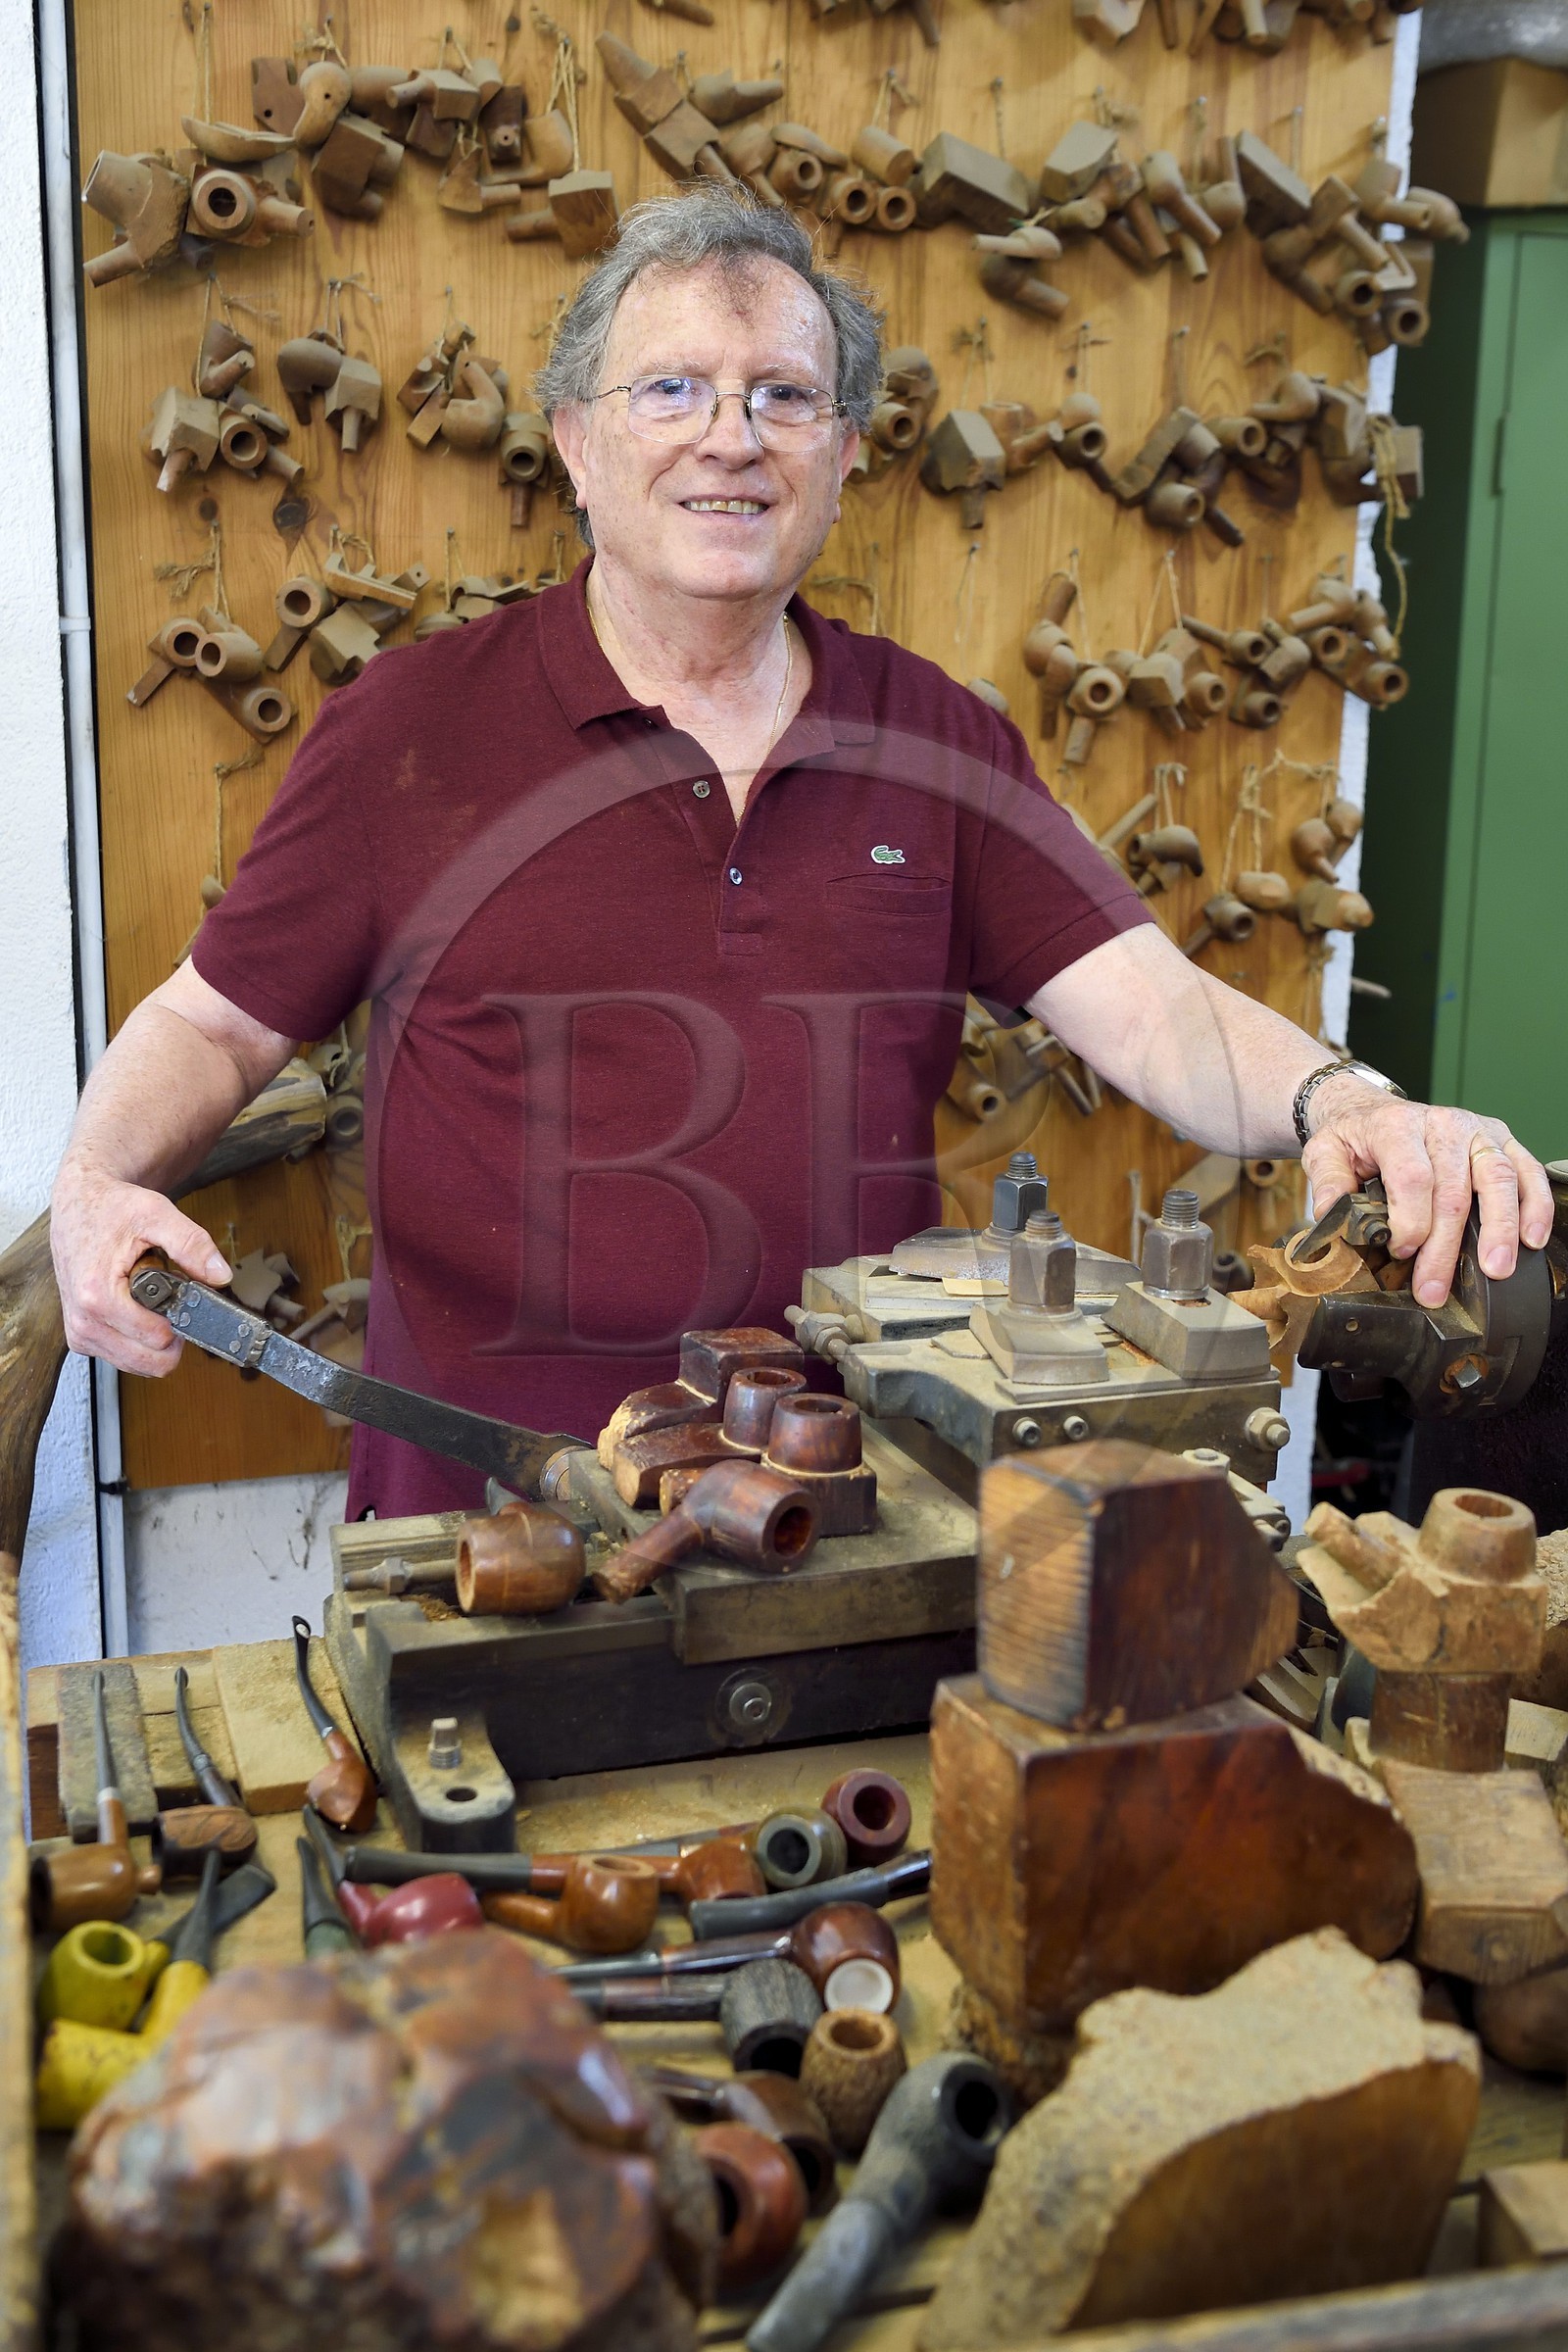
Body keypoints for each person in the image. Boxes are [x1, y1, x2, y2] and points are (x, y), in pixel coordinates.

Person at [51, 189, 1551, 1519]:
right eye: (674, 389)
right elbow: (212, 1019)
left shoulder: (933, 736)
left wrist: (1350, 1102)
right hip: (486, 1524)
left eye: (785, 397)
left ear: (840, 460)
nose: (732, 436)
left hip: (859, 1512)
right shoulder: (413, 730)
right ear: (576, 442)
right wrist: (102, 1179)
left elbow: (1155, 1009)